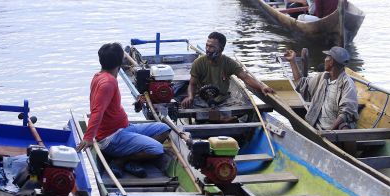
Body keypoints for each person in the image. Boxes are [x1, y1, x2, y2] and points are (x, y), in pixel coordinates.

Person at [76, 43, 170, 178]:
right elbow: (97, 111)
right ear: (120, 62)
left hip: (124, 128)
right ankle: (121, 161)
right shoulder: (107, 83)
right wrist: (88, 137)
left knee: (164, 128)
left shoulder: (100, 76)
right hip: (112, 137)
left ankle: (130, 155)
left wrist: (138, 103)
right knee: (157, 149)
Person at [181, 32, 274, 110]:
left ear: (221, 49)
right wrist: (190, 97)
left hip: (223, 99)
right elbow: (192, 84)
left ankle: (221, 118)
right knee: (187, 105)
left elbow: (245, 77)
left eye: (212, 47)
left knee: (241, 106)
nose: (208, 49)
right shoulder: (198, 62)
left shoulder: (229, 62)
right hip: (203, 98)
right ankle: (222, 119)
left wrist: (261, 87)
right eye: (207, 46)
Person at [283, 46, 358, 130]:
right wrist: (292, 61)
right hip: (317, 126)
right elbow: (301, 83)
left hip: (334, 131)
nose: (325, 59)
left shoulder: (348, 84)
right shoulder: (322, 77)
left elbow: (346, 112)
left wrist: (330, 131)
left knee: (345, 128)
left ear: (331, 62)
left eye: (327, 57)